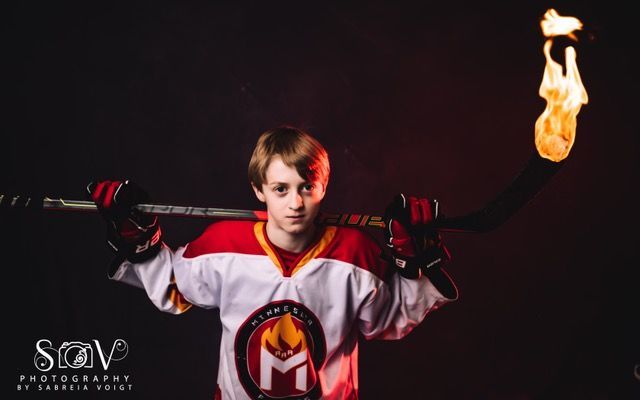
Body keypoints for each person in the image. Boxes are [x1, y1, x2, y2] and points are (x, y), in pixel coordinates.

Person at [88, 126, 458, 400]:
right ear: (258, 189)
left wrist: (412, 264)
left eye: (306, 187)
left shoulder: (354, 252)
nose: (295, 203)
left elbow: (387, 322)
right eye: (280, 189)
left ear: (323, 187)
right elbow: (174, 290)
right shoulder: (223, 244)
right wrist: (140, 240)